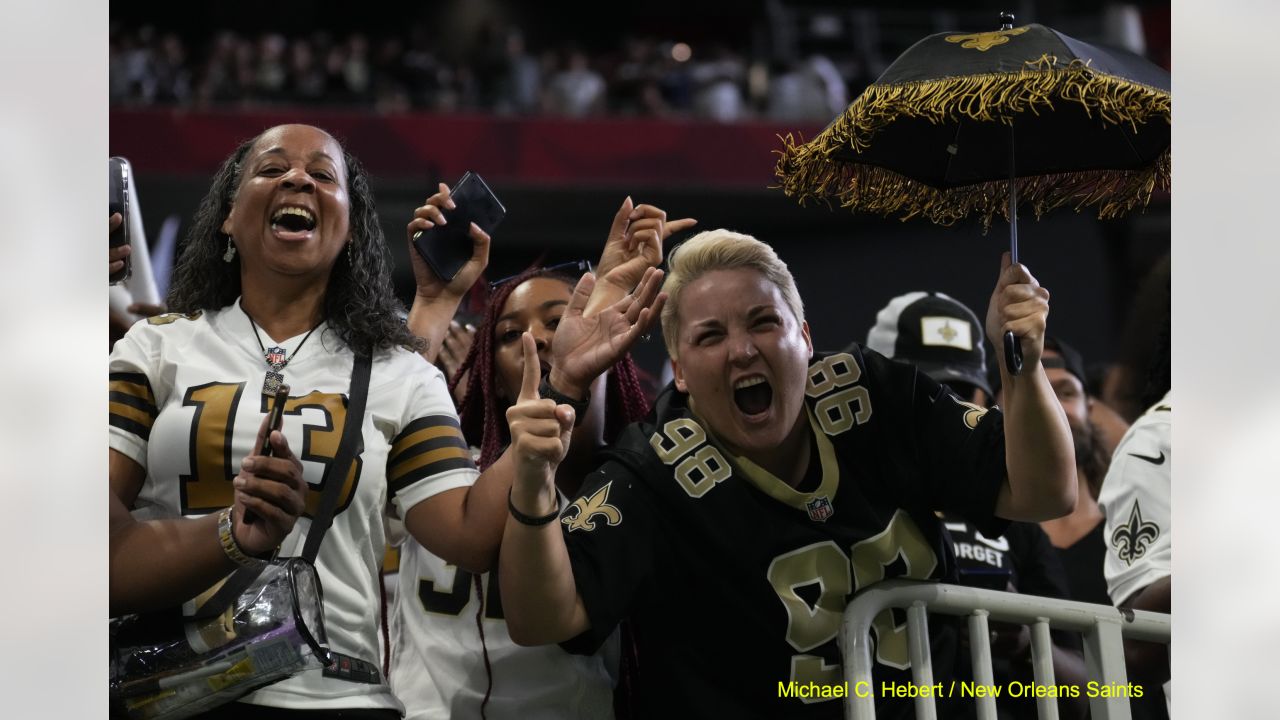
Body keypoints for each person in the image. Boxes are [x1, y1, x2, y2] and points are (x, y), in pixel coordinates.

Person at [498, 230, 1077, 719]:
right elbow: (543, 617)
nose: (742, 350)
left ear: (805, 338)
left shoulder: (878, 395)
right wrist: (533, 480)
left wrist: (1020, 361)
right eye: (710, 336)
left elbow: (1044, 491)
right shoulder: (655, 467)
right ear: (679, 372)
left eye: (762, 322)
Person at [109, 124, 516, 718]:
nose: (298, 177)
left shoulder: (400, 372)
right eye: (271, 170)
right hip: (168, 693)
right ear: (227, 216)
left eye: (323, 176)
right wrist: (230, 535)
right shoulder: (153, 346)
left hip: (338, 697)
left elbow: (470, 538)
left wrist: (562, 394)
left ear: (349, 227)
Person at [390, 192, 694, 719]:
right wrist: (431, 304)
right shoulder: (448, 461)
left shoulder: (642, 475)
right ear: (489, 369)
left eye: (557, 321)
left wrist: (607, 294)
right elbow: (382, 416)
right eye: (509, 334)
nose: (537, 337)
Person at [862, 291, 1087, 720]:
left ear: (986, 401)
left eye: (961, 392)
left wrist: (1025, 639)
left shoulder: (1018, 517)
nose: (944, 411)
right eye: (924, 391)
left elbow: (1095, 689)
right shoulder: (850, 501)